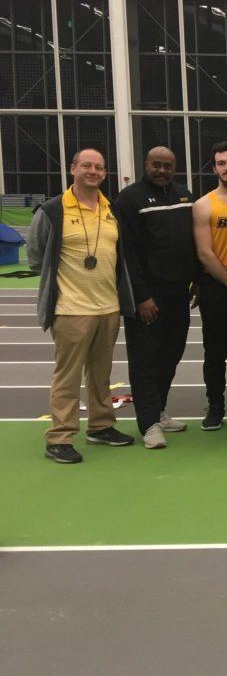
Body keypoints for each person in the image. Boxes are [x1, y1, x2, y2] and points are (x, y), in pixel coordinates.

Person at [29, 148, 135, 463]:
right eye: (86, 165)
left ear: (105, 173)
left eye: (99, 167)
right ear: (73, 168)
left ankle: (101, 426)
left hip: (108, 306)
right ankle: (60, 437)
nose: (93, 171)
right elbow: (36, 258)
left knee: (101, 373)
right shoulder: (52, 210)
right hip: (71, 308)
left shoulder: (110, 209)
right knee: (68, 375)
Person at [112, 146, 195, 449]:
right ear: (146, 164)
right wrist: (142, 296)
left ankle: (158, 411)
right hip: (148, 298)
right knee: (145, 359)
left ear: (174, 167)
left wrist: (196, 279)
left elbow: (192, 243)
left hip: (178, 295)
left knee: (171, 355)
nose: (162, 170)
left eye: (167, 166)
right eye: (156, 165)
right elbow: (127, 254)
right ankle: (148, 425)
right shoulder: (129, 199)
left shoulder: (185, 196)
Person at [192, 141, 227, 430]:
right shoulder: (203, 205)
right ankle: (215, 405)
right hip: (218, 286)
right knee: (215, 353)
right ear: (214, 168)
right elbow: (204, 252)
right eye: (222, 163)